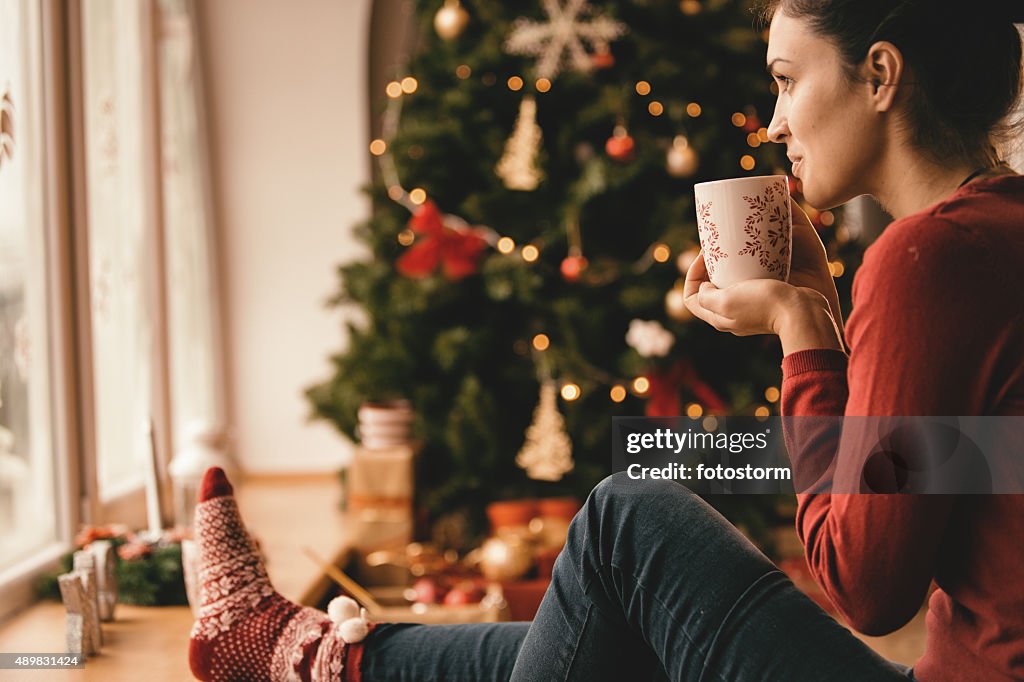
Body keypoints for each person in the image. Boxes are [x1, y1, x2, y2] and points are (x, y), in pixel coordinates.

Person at [186, 2, 1023, 680]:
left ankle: (302, 654)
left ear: (879, 75)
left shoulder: (931, 257)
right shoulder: (995, 233)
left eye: (786, 81)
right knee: (609, 623)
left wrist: (803, 331)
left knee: (626, 521)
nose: (773, 123)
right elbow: (946, 481)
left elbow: (867, 586)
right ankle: (309, 652)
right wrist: (824, 308)